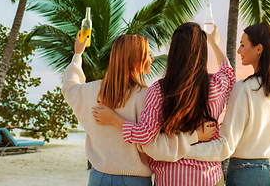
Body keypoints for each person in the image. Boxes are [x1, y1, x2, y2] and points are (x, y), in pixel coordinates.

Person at [62, 31, 213, 186]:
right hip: (133, 180)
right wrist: (194, 136)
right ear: (135, 60)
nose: (152, 58)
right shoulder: (148, 96)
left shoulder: (90, 91)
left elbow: (69, 86)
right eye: (148, 54)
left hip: (98, 177)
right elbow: (156, 145)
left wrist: (78, 54)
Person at [93, 22, 236, 186]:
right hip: (207, 178)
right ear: (201, 52)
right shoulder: (217, 85)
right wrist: (213, 43)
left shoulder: (159, 90)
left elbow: (144, 136)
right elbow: (228, 73)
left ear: (173, 51)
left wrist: (113, 119)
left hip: (169, 178)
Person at [182, 7, 270, 185]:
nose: (239, 51)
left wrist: (181, 149)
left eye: (242, 45)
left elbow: (225, 146)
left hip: (247, 173)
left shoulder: (244, 88)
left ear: (259, 49)